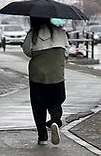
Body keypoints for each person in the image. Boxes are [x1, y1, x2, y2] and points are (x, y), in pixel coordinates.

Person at [21, 17, 69, 146]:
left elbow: (27, 51)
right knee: (56, 100)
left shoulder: (33, 34)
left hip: (37, 74)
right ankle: (55, 120)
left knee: (38, 105)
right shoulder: (61, 32)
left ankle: (42, 136)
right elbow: (66, 52)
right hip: (56, 73)